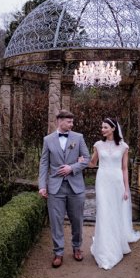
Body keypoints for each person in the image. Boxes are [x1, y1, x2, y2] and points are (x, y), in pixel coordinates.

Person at [88, 117, 140, 270]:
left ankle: (116, 242)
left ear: (113, 128)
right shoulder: (98, 145)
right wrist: (83, 159)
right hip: (103, 180)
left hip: (117, 181)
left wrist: (126, 189)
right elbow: (93, 163)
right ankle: (104, 249)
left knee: (114, 212)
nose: (102, 129)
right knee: (104, 211)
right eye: (102, 127)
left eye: (105, 127)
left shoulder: (124, 147)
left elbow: (124, 169)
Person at [38, 109, 90, 268]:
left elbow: (86, 159)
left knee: (77, 220)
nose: (72, 124)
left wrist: (72, 167)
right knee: (56, 221)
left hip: (76, 187)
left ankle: (77, 248)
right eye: (69, 121)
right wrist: (42, 185)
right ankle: (58, 252)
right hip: (55, 187)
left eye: (72, 122)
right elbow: (44, 164)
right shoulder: (48, 140)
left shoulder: (78, 138)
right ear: (59, 121)